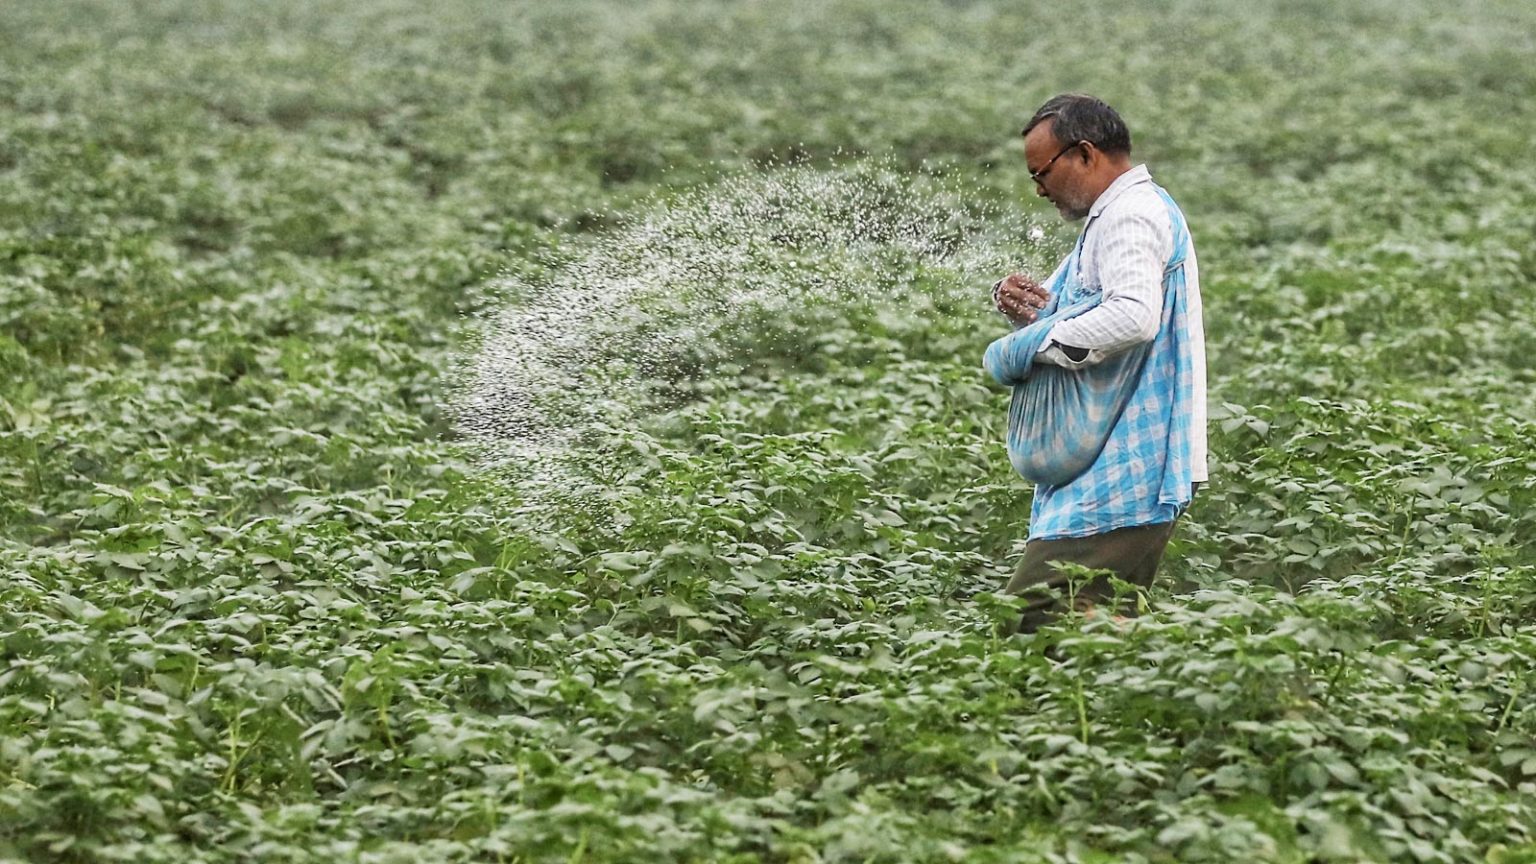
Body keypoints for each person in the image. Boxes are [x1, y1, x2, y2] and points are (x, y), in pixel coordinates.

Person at [990, 94, 1207, 633]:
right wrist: (1024, 308)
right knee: (1096, 630)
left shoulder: (1130, 216)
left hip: (1126, 470)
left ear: (1084, 154)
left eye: (1041, 172)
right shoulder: (1113, 217)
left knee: (1029, 619)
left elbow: (1133, 316)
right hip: (1108, 465)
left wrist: (1030, 347)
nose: (1039, 188)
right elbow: (1081, 314)